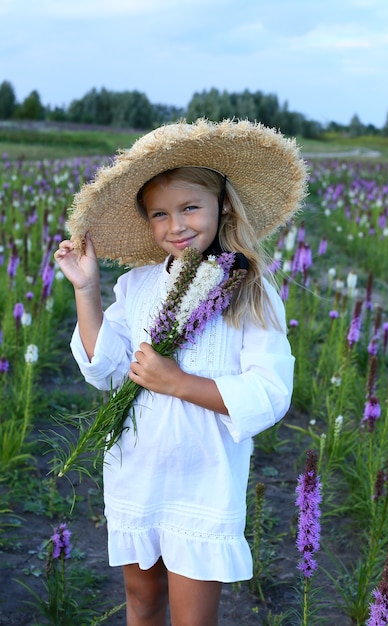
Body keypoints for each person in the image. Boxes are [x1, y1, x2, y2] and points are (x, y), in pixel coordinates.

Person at [54, 118, 308, 626]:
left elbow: (271, 391)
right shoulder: (137, 285)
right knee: (142, 599)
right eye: (160, 214)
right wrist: (87, 290)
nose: (177, 225)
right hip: (137, 471)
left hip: (204, 479)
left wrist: (179, 383)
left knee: (194, 617)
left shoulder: (250, 291)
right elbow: (105, 370)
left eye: (191, 207)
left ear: (223, 207)